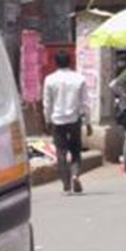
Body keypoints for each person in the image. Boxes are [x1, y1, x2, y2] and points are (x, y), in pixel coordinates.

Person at [42, 50, 88, 194]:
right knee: (75, 150)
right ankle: (75, 175)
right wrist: (88, 121)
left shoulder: (49, 79)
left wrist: (47, 119)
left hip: (57, 120)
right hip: (74, 119)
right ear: (71, 62)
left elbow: (47, 103)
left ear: (56, 63)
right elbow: (84, 102)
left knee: (61, 152)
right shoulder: (79, 78)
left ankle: (67, 186)